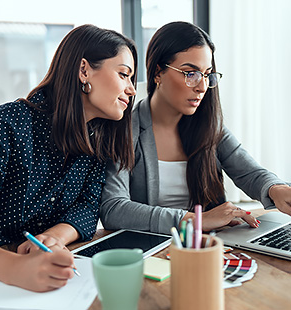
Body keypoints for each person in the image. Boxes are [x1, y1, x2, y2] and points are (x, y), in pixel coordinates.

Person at [0, 24, 137, 292]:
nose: (132, 90)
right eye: (124, 75)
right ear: (84, 70)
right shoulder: (2, 126)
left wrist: (53, 237)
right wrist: (16, 269)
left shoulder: (97, 139)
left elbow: (88, 208)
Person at [100, 21, 291, 236]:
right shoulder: (125, 131)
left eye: (207, 74)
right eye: (190, 73)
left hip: (212, 247)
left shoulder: (209, 125)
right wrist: (196, 221)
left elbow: (249, 172)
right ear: (157, 72)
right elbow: (113, 209)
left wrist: (276, 189)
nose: (201, 87)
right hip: (156, 251)